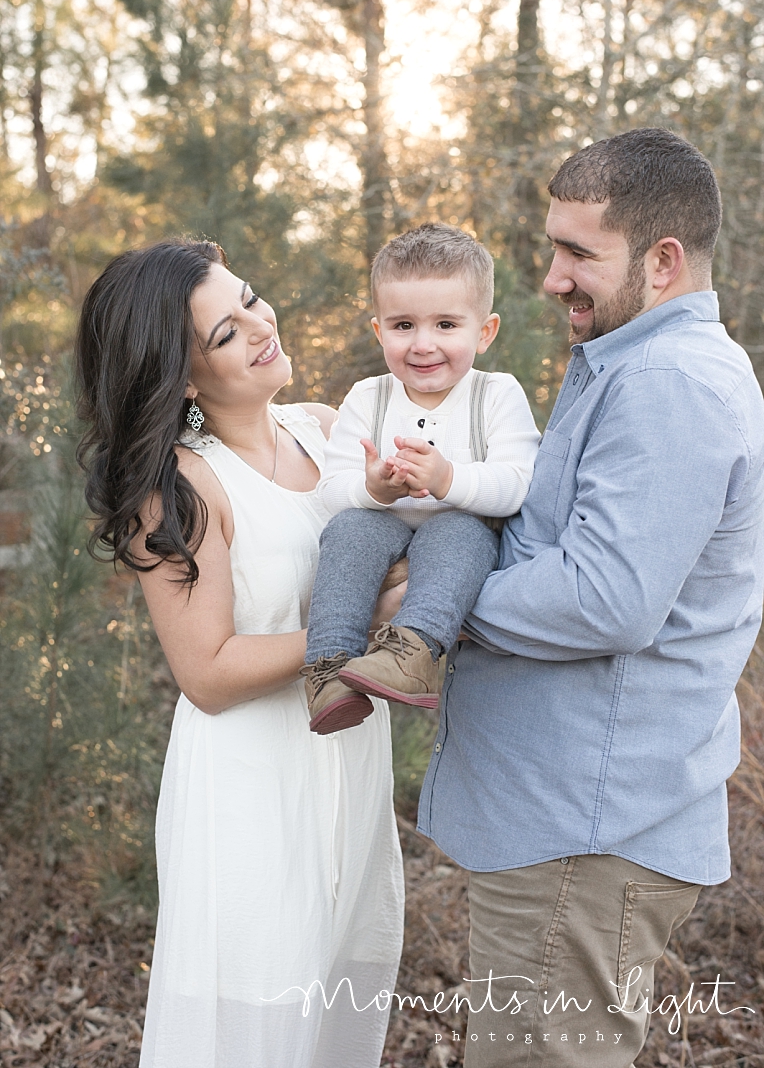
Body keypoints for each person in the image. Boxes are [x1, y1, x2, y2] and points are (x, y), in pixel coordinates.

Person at [417, 128, 764, 1066]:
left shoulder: (666, 384)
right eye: (553, 247)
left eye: (579, 254)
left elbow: (605, 597)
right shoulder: (629, 360)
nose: (552, 278)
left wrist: (433, 603)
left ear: (662, 260)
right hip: (570, 826)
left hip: (585, 835)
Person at [74, 239, 404, 1068]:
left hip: (347, 756)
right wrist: (356, 628)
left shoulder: (327, 430)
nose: (261, 325)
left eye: (251, 298)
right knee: (259, 1014)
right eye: (226, 333)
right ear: (183, 378)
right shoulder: (182, 488)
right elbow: (208, 672)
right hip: (254, 783)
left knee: (336, 996)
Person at [301, 223, 540, 733]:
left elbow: (519, 482)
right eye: (403, 325)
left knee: (457, 528)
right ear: (379, 331)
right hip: (380, 531)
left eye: (447, 325)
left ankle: (411, 653)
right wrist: (372, 488)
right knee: (349, 531)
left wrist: (449, 478)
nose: (423, 344)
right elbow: (327, 494)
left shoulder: (494, 394)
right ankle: (329, 669)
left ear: (485, 331)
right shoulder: (369, 397)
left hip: (458, 537)